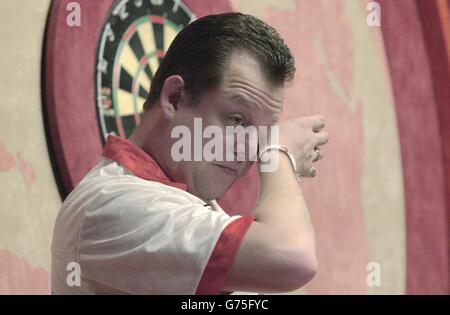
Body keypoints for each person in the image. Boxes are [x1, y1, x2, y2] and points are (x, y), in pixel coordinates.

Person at [51, 12, 328, 294]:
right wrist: (278, 154)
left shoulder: (191, 205)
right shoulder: (110, 202)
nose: (250, 148)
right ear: (174, 97)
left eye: (264, 133)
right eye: (236, 120)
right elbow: (292, 256)